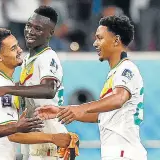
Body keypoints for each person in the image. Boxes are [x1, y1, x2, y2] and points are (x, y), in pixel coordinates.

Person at [0, 6, 78, 160]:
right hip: (39, 141)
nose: (30, 31)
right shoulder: (27, 61)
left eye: (38, 28)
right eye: (29, 26)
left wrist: (4, 89)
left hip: (49, 140)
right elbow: (23, 89)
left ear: (50, 33)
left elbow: (49, 89)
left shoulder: (48, 57)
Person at [35, 15, 147, 160]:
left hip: (124, 154)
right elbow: (102, 116)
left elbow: (118, 99)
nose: (95, 43)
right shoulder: (115, 73)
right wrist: (61, 111)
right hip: (117, 153)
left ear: (116, 40)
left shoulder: (127, 68)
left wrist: (81, 108)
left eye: (100, 38)